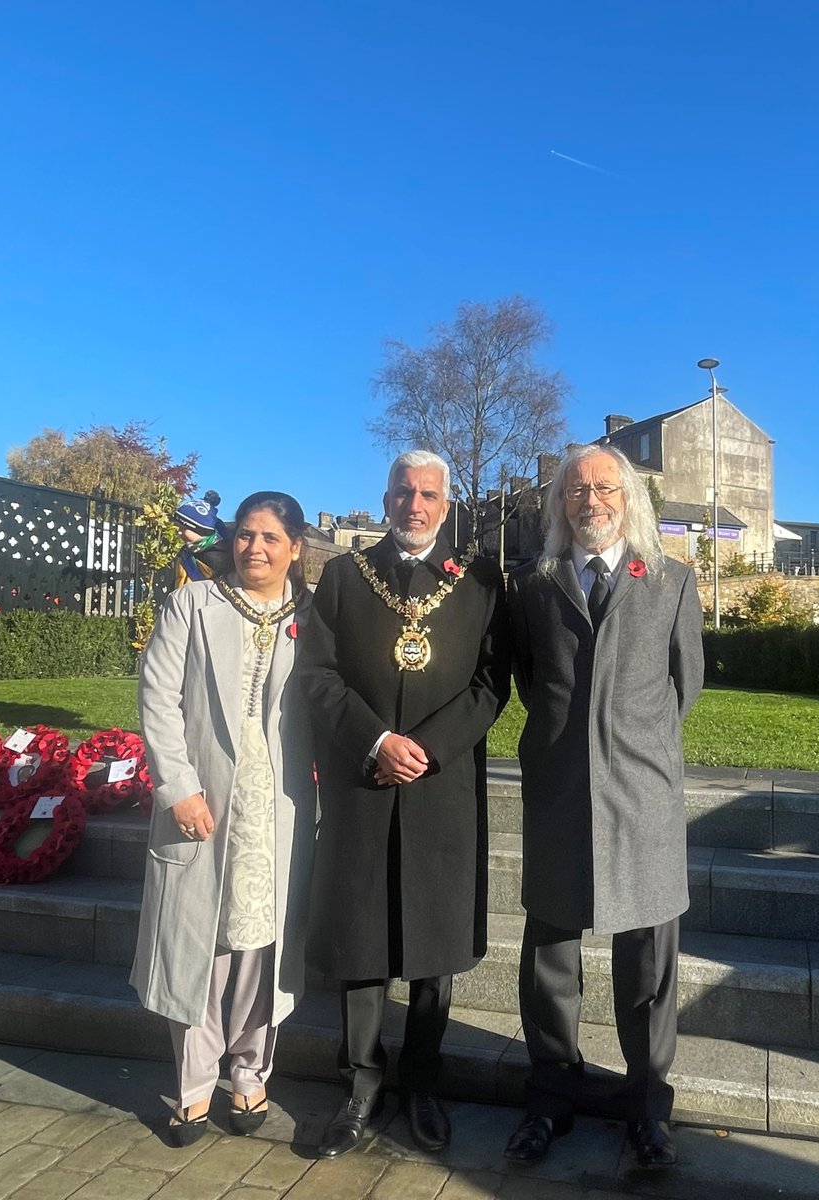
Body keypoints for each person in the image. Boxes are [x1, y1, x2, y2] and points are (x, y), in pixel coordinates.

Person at [299, 449, 509, 1158]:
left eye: (428, 495)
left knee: (433, 940)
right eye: (402, 493)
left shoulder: (480, 579)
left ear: (446, 504)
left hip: (440, 786)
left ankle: (421, 1081)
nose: (414, 506)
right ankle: (361, 1081)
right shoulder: (341, 576)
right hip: (364, 781)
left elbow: (490, 682)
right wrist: (375, 740)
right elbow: (317, 673)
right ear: (384, 499)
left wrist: (429, 748)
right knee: (362, 936)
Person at [502, 443, 704, 1170]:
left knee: (647, 960)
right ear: (561, 504)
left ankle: (647, 1108)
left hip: (643, 796)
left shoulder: (673, 582)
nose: (591, 500)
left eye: (605, 487)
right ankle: (550, 1098)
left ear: (630, 499)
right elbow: (530, 676)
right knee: (550, 956)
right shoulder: (533, 587)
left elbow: (687, 682)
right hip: (560, 792)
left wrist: (633, 744)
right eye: (576, 489)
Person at [131, 491, 315, 1147]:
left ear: (295, 547)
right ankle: (191, 1087)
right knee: (201, 948)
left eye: (270, 537)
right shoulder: (191, 605)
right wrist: (177, 786)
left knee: (261, 946)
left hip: (278, 807)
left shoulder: (314, 616)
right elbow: (158, 698)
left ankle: (250, 1070)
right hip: (204, 801)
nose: (254, 548)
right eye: (244, 535)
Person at [173, 489, 232, 585]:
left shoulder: (219, 559)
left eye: (184, 528)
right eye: (178, 527)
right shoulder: (186, 553)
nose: (179, 533)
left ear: (201, 530)